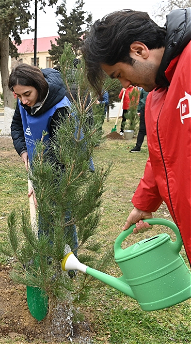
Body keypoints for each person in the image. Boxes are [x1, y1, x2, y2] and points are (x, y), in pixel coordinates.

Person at [82, 9, 191, 266]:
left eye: (119, 74)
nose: (124, 86)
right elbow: (160, 156)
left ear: (139, 50)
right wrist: (144, 203)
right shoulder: (155, 97)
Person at [9, 63, 78, 258]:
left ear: (39, 86)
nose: (23, 101)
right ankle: (45, 262)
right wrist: (24, 151)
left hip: (63, 169)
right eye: (18, 96)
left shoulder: (60, 107)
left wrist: (44, 186)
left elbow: (61, 155)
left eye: (27, 94)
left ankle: (70, 264)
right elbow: (17, 126)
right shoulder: (24, 100)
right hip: (39, 166)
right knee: (43, 219)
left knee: (63, 217)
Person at [130, 88, 148, 152]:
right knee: (142, 129)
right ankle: (138, 147)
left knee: (153, 129)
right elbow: (140, 100)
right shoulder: (143, 89)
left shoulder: (155, 88)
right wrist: (139, 110)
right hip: (143, 110)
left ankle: (155, 148)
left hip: (154, 109)